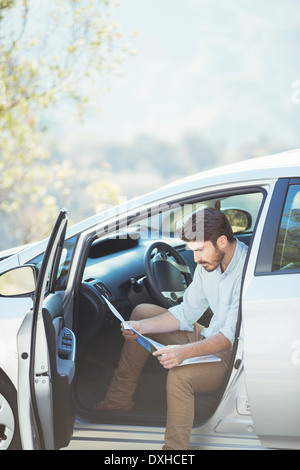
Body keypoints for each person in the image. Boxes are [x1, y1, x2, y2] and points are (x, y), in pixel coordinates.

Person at [95, 207, 248, 450]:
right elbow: (187, 312)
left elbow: (229, 337)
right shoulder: (208, 264)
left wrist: (183, 353)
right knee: (142, 313)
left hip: (232, 353)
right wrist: (141, 327)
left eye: (199, 250)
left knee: (179, 377)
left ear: (221, 241)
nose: (196, 259)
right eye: (192, 251)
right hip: (211, 335)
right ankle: (118, 400)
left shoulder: (247, 271)